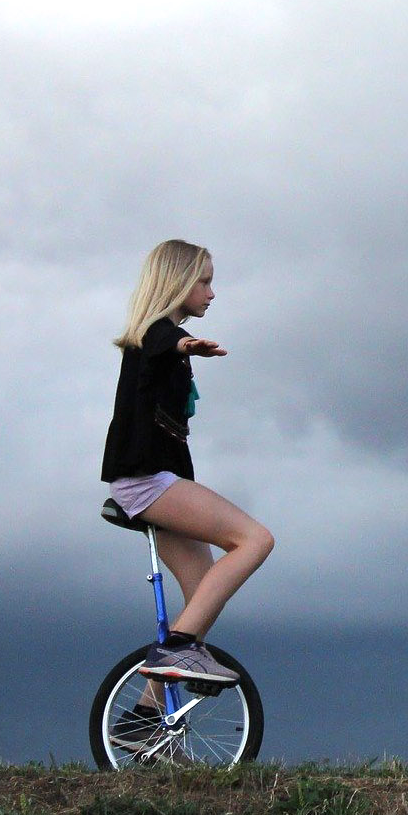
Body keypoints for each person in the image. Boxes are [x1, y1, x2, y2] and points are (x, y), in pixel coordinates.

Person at [101, 239, 274, 701]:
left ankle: (142, 722)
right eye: (205, 281)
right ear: (177, 281)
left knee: (203, 591)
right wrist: (184, 344)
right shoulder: (154, 337)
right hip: (144, 480)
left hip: (159, 480)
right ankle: (175, 648)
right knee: (255, 540)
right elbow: (159, 341)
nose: (212, 293)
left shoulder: (161, 342)